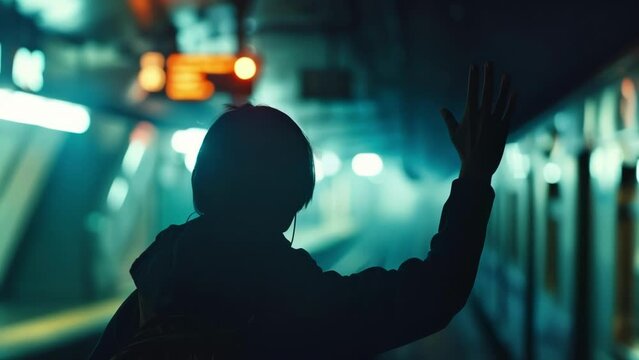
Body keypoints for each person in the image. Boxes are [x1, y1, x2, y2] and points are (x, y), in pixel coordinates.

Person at [90, 62, 515, 359]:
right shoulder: (303, 303)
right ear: (294, 200)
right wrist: (475, 178)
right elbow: (436, 292)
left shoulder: (149, 295)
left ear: (201, 184)